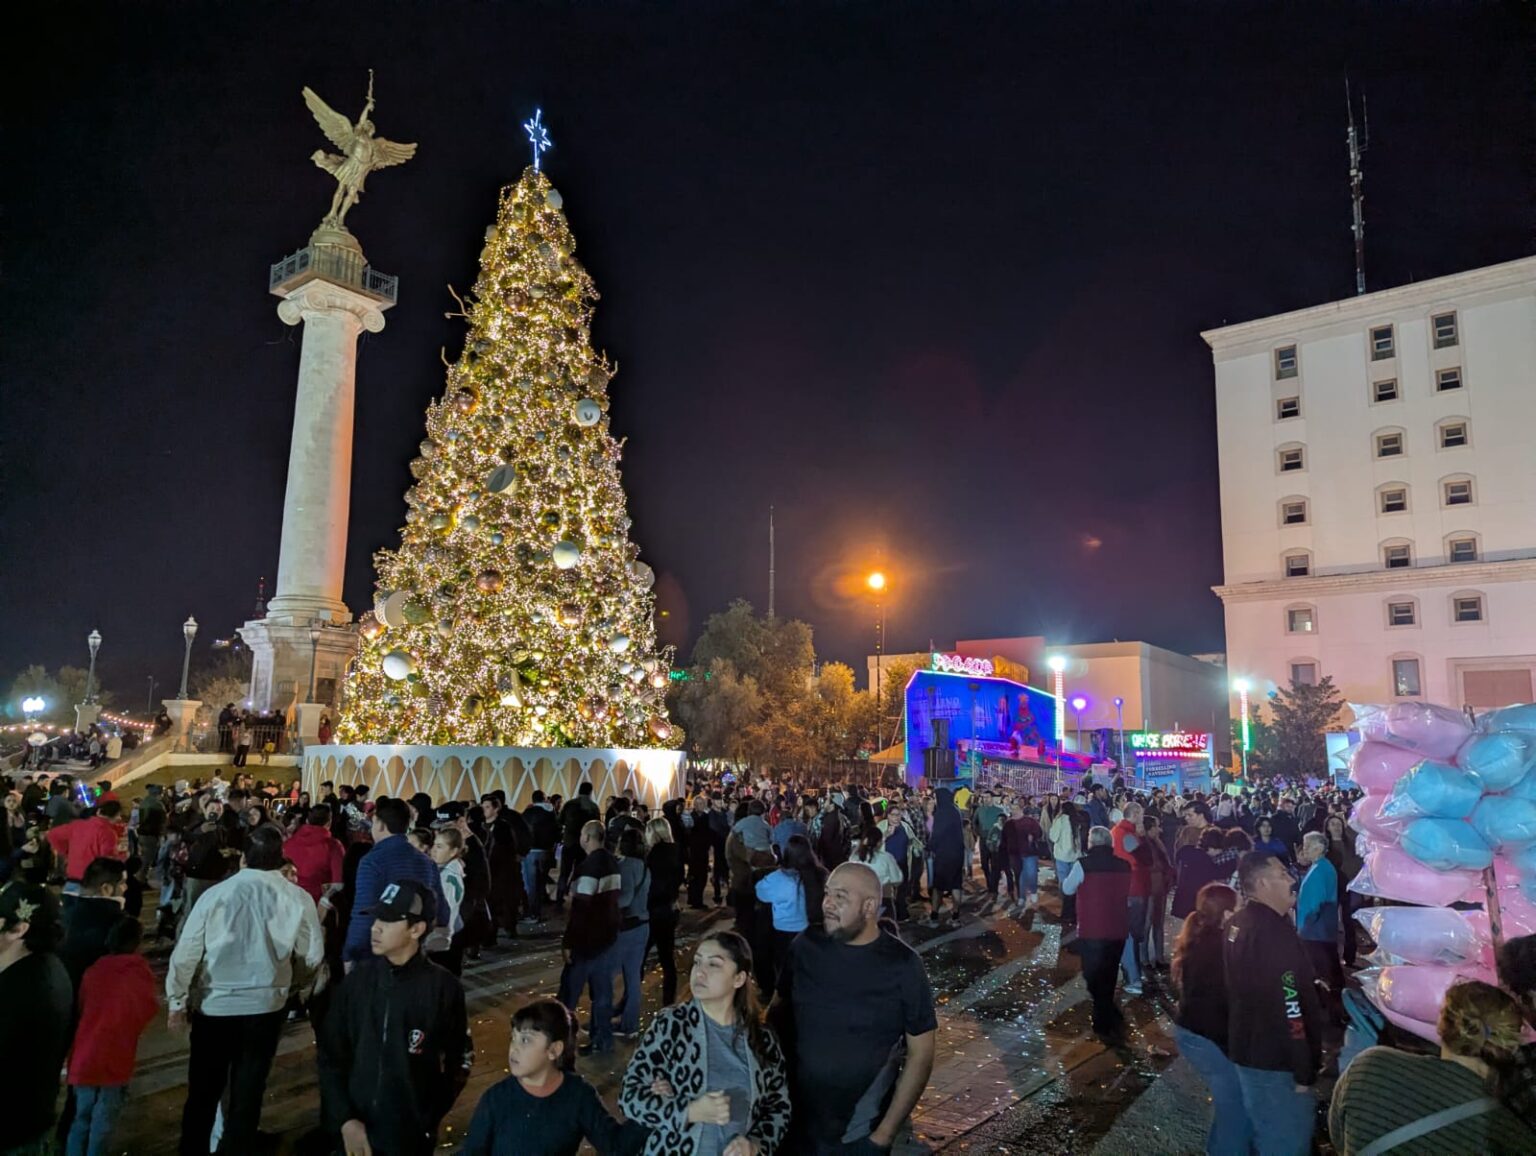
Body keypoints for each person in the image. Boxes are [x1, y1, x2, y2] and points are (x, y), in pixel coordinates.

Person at [167, 824, 324, 1156]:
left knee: (203, 1093)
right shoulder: (296, 897)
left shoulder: (218, 895)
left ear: (242, 859)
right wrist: (293, 984)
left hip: (216, 1005)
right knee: (248, 1092)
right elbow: (311, 953)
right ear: (281, 858)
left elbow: (187, 952)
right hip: (266, 1006)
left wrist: (177, 1000)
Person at [773, 862, 937, 1152]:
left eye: (842, 897)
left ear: (869, 906)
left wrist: (884, 1134)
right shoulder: (805, 946)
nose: (828, 904)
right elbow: (775, 1012)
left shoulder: (903, 965)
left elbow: (921, 1054)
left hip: (858, 1134)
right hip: (792, 1125)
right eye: (828, 893)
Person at [319, 879, 472, 1156]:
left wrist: (426, 1116)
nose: (375, 927)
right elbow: (331, 1054)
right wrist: (344, 1119)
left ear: (416, 929)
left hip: (408, 1138)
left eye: (388, 921)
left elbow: (459, 1058)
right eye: (377, 917)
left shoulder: (443, 988)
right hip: (353, 1136)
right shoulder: (357, 982)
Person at [622, 930, 791, 1155]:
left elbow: (779, 1108)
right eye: (697, 962)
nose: (700, 972)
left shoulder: (762, 1039)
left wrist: (755, 1145)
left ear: (739, 978)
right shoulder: (671, 1025)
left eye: (714, 965)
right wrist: (690, 1111)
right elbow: (629, 1097)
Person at [1329, 980, 1536, 1154]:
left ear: (1440, 1026)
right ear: (1511, 1045)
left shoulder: (1368, 1066)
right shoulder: (1508, 1134)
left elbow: (1339, 1138)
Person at [1225, 851, 1324, 1156]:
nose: (1292, 880)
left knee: (1266, 1132)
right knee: (1286, 1141)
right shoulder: (1273, 934)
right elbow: (1289, 1001)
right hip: (1276, 1062)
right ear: (1264, 883)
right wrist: (1304, 1068)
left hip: (1248, 1050)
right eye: (1283, 875)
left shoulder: (1238, 923)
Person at [463, 999, 632, 1155]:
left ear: (554, 1050)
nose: (514, 1049)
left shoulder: (578, 1095)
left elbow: (614, 1145)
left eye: (526, 1040)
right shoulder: (496, 1099)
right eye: (513, 1039)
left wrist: (650, 1104)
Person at [1170, 882, 1250, 1156]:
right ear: (1227, 914)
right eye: (1239, 907)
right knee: (1237, 1109)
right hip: (1206, 1037)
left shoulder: (1204, 937)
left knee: (1231, 1105)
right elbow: (1219, 1005)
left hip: (1194, 1032)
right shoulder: (1219, 948)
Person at [67, 919, 158, 1156]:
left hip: (84, 1056)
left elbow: (82, 1005)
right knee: (104, 1121)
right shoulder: (139, 974)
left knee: (81, 1117)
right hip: (116, 1056)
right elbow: (147, 1008)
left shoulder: (93, 971)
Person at [0, 881, 74, 1156]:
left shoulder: (25, 991)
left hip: (11, 1134)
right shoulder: (44, 966)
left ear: (18, 929)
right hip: (27, 1124)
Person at [343, 797, 447, 968]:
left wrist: (351, 952)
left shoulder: (372, 861)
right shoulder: (427, 862)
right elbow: (442, 912)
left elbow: (363, 913)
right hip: (413, 952)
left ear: (381, 825)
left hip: (378, 956)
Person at [1060, 826, 1132, 1045]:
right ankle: (1108, 1010)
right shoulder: (1124, 865)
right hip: (1117, 927)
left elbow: (1067, 889)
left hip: (1092, 928)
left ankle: (1102, 1020)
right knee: (1109, 972)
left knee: (1092, 974)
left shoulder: (1083, 865)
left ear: (1091, 843)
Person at [559, 820, 622, 1055]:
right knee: (603, 994)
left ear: (586, 837)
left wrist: (568, 942)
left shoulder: (588, 867)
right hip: (607, 937)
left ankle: (561, 1043)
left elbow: (581, 910)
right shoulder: (612, 863)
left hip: (586, 941)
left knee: (568, 996)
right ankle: (602, 1040)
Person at [756, 834, 822, 989]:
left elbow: (761, 892)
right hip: (810, 930)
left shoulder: (778, 878)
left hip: (783, 931)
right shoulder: (819, 875)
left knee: (785, 970)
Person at [60, 856, 129, 992]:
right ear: (106, 889)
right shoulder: (116, 922)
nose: (125, 887)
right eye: (122, 882)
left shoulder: (63, 912)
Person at [1296, 831, 1342, 1019]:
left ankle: (1330, 1011)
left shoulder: (1320, 870)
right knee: (1328, 968)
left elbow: (1314, 904)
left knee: (1322, 971)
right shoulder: (1322, 867)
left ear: (1320, 848)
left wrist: (1304, 926)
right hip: (1322, 929)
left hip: (1315, 931)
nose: (1304, 850)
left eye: (1308, 846)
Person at [613, 826, 652, 1040]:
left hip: (628, 924)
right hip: (643, 922)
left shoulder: (626, 866)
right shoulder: (645, 866)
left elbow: (625, 899)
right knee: (633, 976)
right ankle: (629, 1020)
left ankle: (627, 1023)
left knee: (620, 975)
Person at [643, 816, 682, 1007]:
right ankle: (668, 1001)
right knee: (667, 959)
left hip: (654, 910)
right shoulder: (676, 851)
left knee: (639, 957)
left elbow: (653, 885)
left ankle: (628, 1002)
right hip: (670, 908)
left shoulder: (654, 856)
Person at [285, 804, 344, 903]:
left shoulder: (288, 843)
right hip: (318, 903)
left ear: (307, 820)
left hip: (290, 900)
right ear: (329, 822)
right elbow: (338, 882)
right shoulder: (333, 846)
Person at [429, 825, 468, 975]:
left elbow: (447, 913)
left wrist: (435, 942)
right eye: (434, 845)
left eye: (439, 846)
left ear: (453, 851)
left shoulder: (448, 878)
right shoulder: (444, 871)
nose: (433, 850)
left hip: (443, 941)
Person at [556, 783, 601, 906]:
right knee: (580, 872)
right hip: (585, 845)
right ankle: (577, 897)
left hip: (569, 842)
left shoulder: (569, 805)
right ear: (590, 792)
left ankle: (559, 897)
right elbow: (597, 826)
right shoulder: (593, 807)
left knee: (564, 872)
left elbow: (559, 821)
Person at [1140, 813, 1174, 970]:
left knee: (1158, 923)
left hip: (1160, 887)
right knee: (1147, 924)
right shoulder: (1143, 844)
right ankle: (1144, 959)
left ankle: (1159, 957)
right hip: (1149, 888)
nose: (1159, 829)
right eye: (1156, 826)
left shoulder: (1156, 842)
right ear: (1149, 828)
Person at [927, 788, 965, 926]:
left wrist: (929, 847)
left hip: (944, 854)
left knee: (938, 886)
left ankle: (934, 917)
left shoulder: (942, 813)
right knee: (956, 884)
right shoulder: (955, 810)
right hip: (957, 853)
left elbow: (937, 834)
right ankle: (955, 916)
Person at [522, 790, 560, 922]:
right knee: (540, 884)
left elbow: (523, 831)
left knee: (531, 885)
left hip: (531, 851)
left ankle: (533, 914)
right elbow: (557, 831)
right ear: (544, 799)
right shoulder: (551, 813)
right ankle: (537, 911)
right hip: (546, 851)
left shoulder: (527, 813)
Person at [1049, 800, 1083, 924]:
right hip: (1074, 856)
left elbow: (1053, 837)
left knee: (1064, 885)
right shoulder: (1076, 820)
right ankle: (1074, 911)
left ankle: (1066, 912)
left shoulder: (1060, 820)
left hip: (1062, 856)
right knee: (1073, 884)